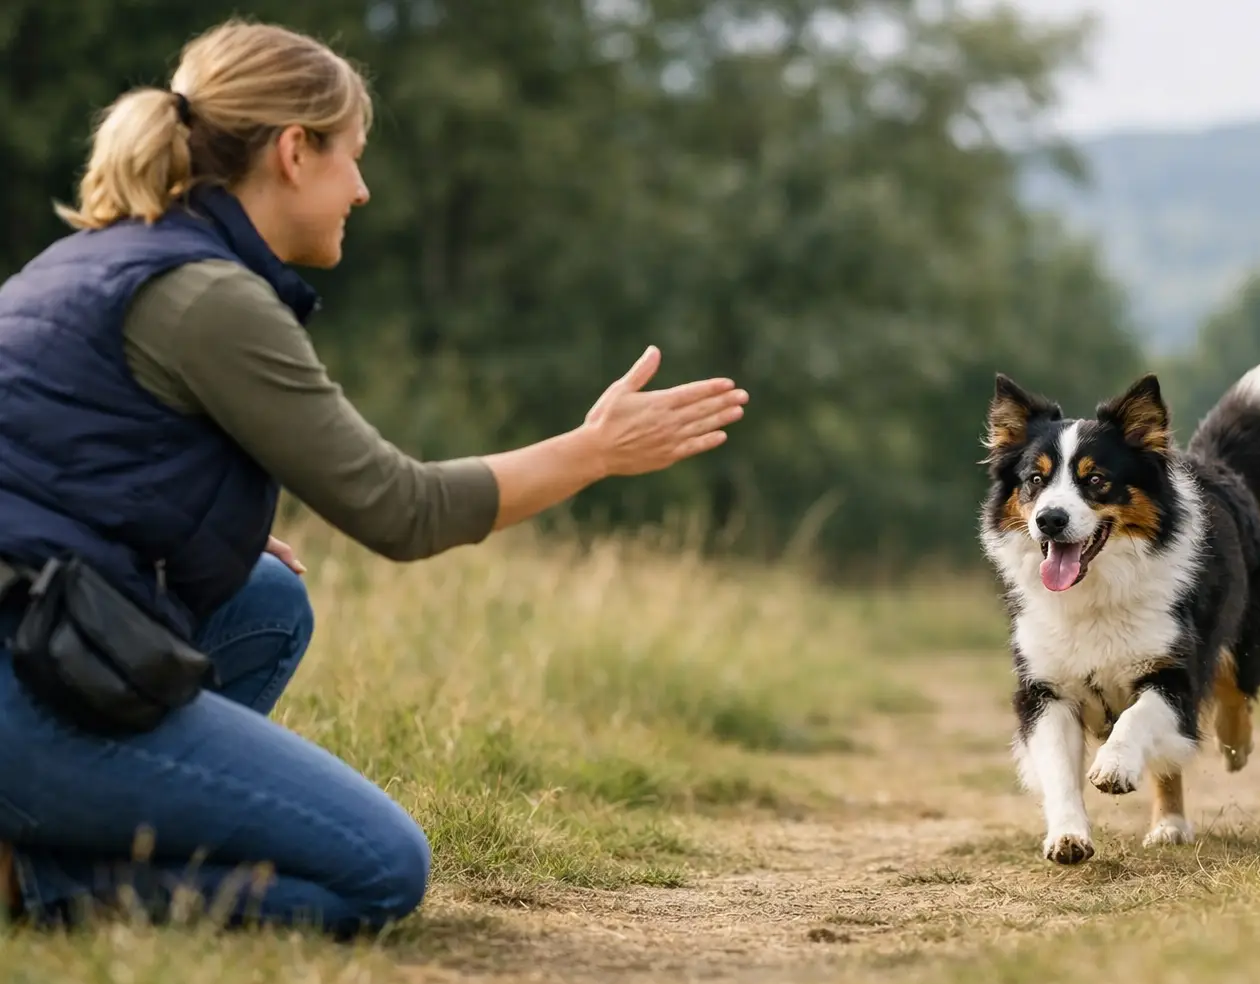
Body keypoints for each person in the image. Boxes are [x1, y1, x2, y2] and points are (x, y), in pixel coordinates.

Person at [0, 19, 748, 936]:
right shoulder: (210, 297)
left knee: (264, 596)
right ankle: (39, 879)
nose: (361, 188)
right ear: (292, 151)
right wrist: (594, 449)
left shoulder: (90, 260)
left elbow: (53, 456)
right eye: (351, 157)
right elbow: (402, 511)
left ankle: (77, 823)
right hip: (26, 672)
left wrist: (183, 523)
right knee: (378, 870)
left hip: (39, 629)